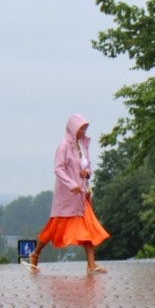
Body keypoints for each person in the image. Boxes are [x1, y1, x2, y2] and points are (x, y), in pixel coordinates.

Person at [24, 114, 110, 274]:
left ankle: (91, 264)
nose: (83, 131)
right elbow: (58, 168)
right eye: (80, 128)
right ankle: (35, 254)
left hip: (82, 196)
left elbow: (88, 166)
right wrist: (72, 184)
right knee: (54, 227)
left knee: (88, 227)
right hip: (67, 197)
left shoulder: (82, 145)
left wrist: (87, 173)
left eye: (85, 128)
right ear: (73, 128)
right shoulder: (63, 145)